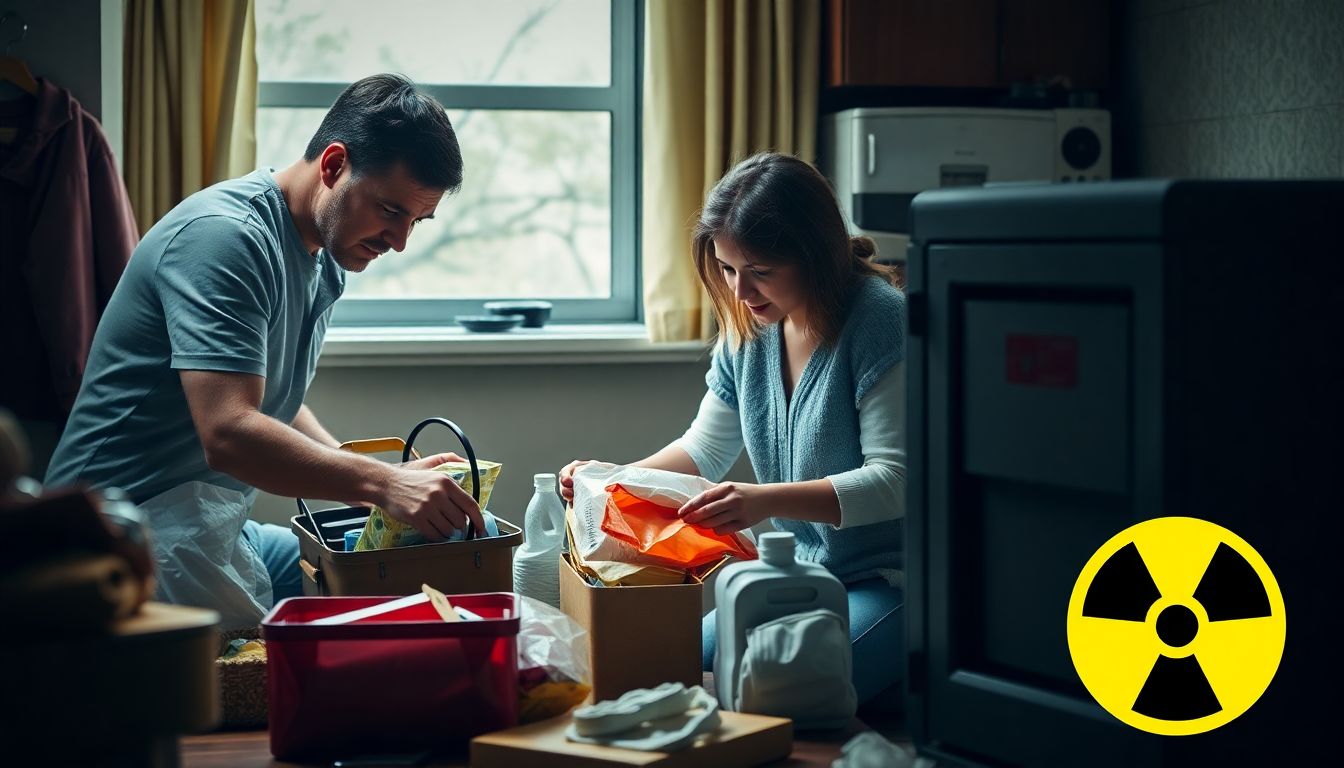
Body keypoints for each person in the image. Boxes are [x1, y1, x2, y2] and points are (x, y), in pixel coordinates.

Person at [45, 74, 484, 627]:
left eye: (417, 222)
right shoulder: (225, 239)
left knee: (385, 585)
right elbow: (229, 433)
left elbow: (271, 395)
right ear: (333, 165)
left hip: (206, 524)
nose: (399, 243)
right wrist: (384, 483)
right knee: (297, 671)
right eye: (391, 211)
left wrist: (373, 484)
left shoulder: (326, 252)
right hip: (115, 532)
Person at [560, 152, 905, 706]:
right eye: (726, 269)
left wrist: (762, 500)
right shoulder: (751, 328)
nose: (740, 292)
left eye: (760, 272)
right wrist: (609, 477)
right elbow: (704, 449)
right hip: (797, 574)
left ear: (814, 255)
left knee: (779, 691)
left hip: (887, 582)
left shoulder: (880, 319)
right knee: (672, 665)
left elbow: (894, 480)